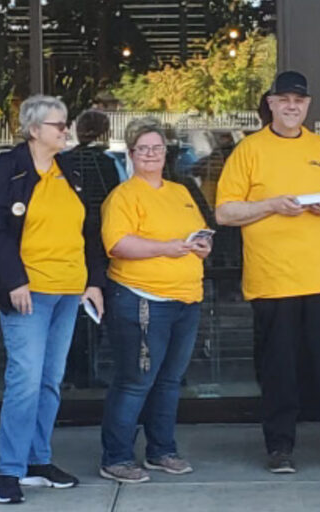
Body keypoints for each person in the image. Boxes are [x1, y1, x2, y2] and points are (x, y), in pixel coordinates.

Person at [215, 70, 320, 475]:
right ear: (271, 103)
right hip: (273, 279)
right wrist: (272, 204)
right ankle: (280, 448)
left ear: (307, 106)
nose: (292, 106)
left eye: (299, 100)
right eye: (284, 99)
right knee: (279, 370)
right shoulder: (249, 150)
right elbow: (225, 212)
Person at [0, 95, 106, 504]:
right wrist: (14, 279)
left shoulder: (67, 169)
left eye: (65, 123)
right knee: (25, 381)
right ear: (34, 130)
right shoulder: (10, 168)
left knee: (49, 381)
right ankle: (9, 471)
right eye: (58, 125)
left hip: (69, 290)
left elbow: (86, 230)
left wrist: (93, 282)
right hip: (29, 293)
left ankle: (37, 460)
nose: (65, 130)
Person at [97, 118, 211, 484]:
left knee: (170, 380)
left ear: (166, 153)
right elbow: (117, 244)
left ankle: (162, 450)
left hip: (185, 298)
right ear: (130, 154)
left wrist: (200, 245)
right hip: (142, 297)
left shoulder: (180, 192)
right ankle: (116, 457)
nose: (150, 154)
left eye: (157, 148)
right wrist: (169, 248)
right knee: (135, 381)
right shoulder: (124, 196)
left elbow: (194, 235)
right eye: (143, 149)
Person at [63, 109, 121, 390]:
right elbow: (116, 201)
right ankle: (85, 369)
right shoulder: (106, 163)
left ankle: (73, 369)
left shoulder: (66, 160)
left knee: (73, 309)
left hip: (72, 239)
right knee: (96, 306)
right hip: (99, 241)